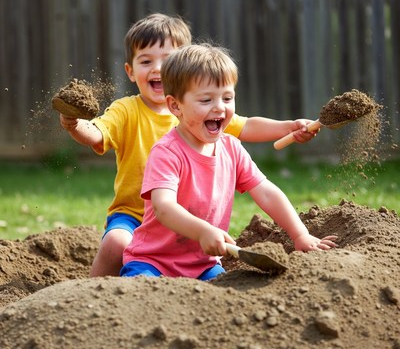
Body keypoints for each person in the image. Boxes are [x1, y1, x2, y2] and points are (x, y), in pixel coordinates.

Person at [59, 13, 318, 277]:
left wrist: (288, 128)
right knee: (118, 242)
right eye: (147, 61)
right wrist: (74, 124)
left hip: (196, 248)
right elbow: (99, 134)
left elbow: (260, 171)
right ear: (176, 104)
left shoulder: (220, 134)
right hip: (141, 222)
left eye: (227, 98)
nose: (159, 68)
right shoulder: (138, 120)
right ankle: (93, 291)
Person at [121, 44, 337, 280]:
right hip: (153, 262)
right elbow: (164, 208)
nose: (220, 107)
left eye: (227, 97)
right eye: (206, 100)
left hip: (203, 265)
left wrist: (300, 235)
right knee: (143, 293)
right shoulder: (167, 152)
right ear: (175, 106)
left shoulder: (231, 148)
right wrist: (202, 231)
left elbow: (266, 192)